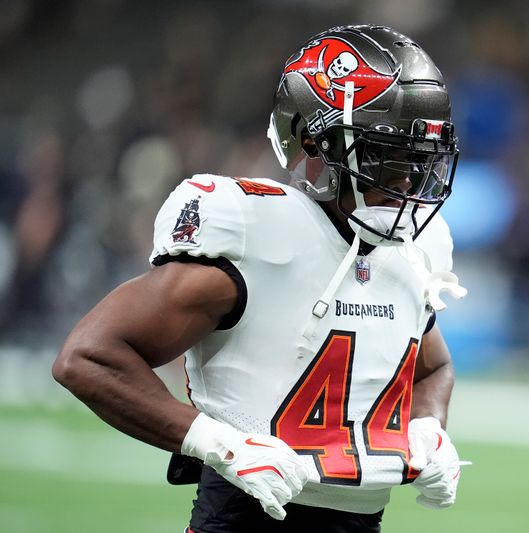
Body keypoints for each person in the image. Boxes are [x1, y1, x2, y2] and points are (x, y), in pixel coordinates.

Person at [53, 24, 467, 532]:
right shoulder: (260, 234)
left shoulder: (416, 249)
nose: (408, 181)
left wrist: (428, 425)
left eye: (420, 159)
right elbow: (88, 356)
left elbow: (432, 368)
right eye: (388, 155)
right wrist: (215, 442)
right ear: (317, 144)